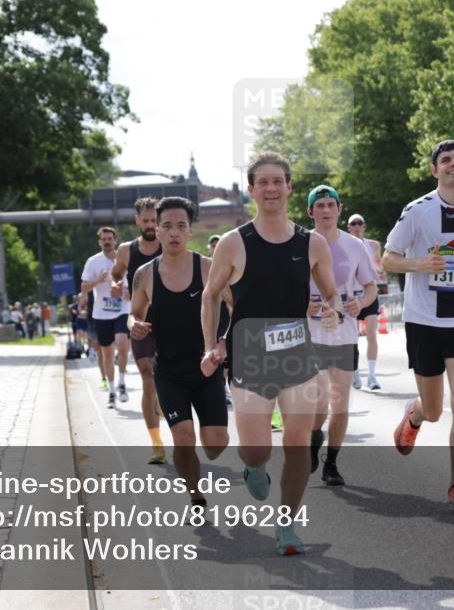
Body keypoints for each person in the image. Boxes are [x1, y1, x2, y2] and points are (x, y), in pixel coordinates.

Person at [201, 151, 342, 555]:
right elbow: (210, 296)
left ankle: (287, 525)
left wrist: (331, 308)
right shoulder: (233, 243)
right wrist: (210, 345)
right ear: (251, 190)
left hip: (297, 353)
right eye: (262, 182)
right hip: (248, 355)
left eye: (277, 181)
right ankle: (254, 465)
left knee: (297, 442)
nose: (271, 189)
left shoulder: (311, 242)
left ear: (289, 187)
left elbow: (330, 291)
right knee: (257, 449)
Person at [384, 139, 454, 515]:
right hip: (423, 320)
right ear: (435, 170)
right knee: (434, 410)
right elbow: (388, 257)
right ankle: (415, 415)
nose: (453, 164)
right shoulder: (417, 211)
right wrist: (420, 265)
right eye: (445, 160)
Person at [129, 197, 233, 513]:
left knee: (216, 445)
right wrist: (134, 325)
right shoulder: (145, 275)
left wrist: (224, 342)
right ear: (156, 231)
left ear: (190, 231)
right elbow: (133, 313)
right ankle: (196, 496)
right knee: (184, 438)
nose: (174, 233)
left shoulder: (208, 267)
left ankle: (206, 453)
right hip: (169, 371)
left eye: (181, 226)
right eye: (167, 226)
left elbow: (234, 305)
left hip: (206, 367)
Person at [307, 187, 377, 486]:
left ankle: (331, 463)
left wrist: (360, 303)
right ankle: (312, 439)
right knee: (320, 401)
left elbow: (370, 286)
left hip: (345, 334)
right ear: (310, 212)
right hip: (310, 334)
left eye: (330, 205)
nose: (325, 210)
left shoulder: (355, 246)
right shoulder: (300, 244)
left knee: (341, 403)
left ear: (339, 209)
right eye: (319, 206)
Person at [112, 198, 166, 464]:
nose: (150, 226)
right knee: (147, 374)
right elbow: (116, 273)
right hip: (140, 321)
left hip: (169, 322)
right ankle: (156, 444)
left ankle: (164, 404)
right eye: (145, 221)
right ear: (137, 221)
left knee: (165, 377)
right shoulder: (126, 250)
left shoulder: (170, 243)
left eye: (154, 221)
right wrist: (115, 285)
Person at [82, 227, 131, 408]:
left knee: (123, 344)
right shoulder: (93, 262)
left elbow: (137, 280)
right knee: (107, 354)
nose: (107, 241)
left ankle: (123, 382)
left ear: (115, 240)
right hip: (102, 313)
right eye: (104, 239)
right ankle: (112, 391)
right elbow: (84, 287)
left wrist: (128, 291)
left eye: (110, 238)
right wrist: (98, 281)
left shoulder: (125, 259)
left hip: (122, 309)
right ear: (100, 242)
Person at [346, 213, 385, 390]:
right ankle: (355, 372)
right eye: (353, 224)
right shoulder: (343, 245)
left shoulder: (374, 245)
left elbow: (379, 264)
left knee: (371, 333)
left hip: (369, 293)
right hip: (351, 296)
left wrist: (379, 270)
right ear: (348, 228)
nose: (356, 226)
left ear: (364, 226)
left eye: (359, 223)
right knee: (352, 338)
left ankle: (372, 375)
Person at [208, 234, 233, 407]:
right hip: (212, 315)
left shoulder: (230, 265)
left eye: (219, 244)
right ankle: (218, 389)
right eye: (214, 245)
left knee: (225, 359)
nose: (217, 247)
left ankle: (222, 388)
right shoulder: (206, 266)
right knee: (215, 354)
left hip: (226, 316)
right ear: (210, 248)